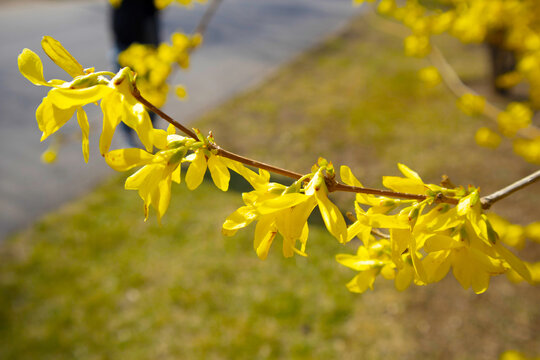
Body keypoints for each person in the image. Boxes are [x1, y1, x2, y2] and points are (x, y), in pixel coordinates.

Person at [110, 0, 161, 146]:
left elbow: (154, 9)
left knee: (151, 92)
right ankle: (130, 137)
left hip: (147, 46)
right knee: (123, 95)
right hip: (124, 43)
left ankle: (150, 134)